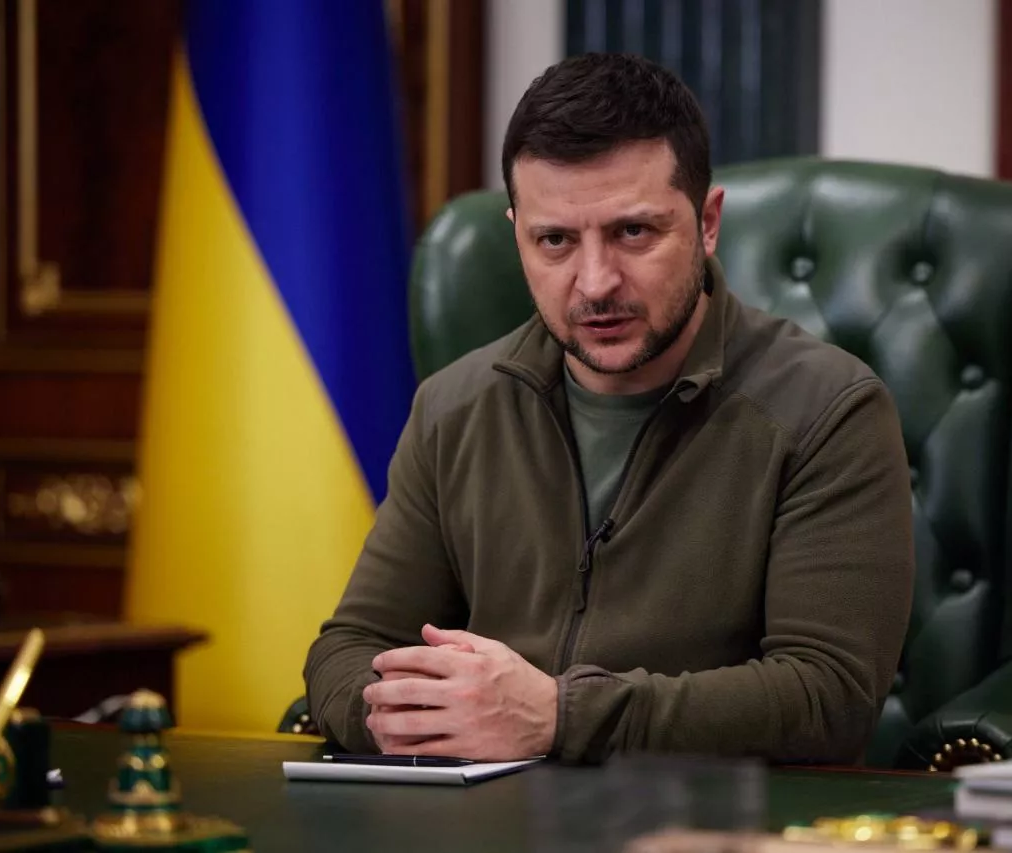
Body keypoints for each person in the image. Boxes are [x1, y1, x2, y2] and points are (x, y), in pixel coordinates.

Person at [303, 52, 914, 766]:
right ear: (517, 234)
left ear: (707, 222)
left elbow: (828, 698)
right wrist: (403, 712)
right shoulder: (454, 406)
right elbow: (347, 651)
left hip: (719, 817)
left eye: (633, 233)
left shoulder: (829, 409)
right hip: (491, 812)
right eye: (555, 240)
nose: (595, 283)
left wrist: (558, 716)